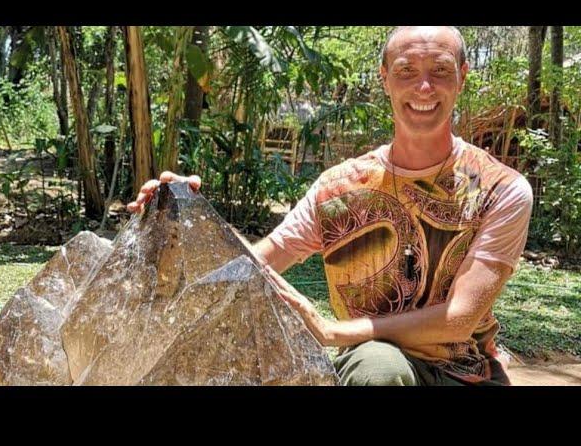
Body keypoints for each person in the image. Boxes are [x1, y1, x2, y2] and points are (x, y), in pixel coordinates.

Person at [127, 26, 533, 386]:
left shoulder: (502, 190)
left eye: (440, 70)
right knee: (378, 367)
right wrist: (189, 218)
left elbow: (460, 318)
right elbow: (253, 266)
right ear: (385, 80)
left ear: (462, 78)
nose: (423, 87)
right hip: (377, 367)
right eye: (407, 70)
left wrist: (332, 331)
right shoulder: (339, 189)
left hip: (468, 375)